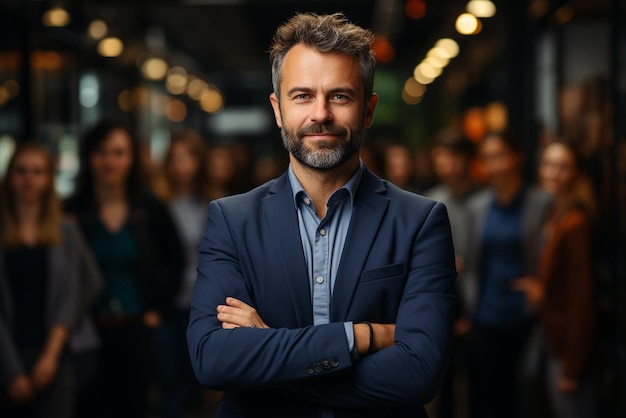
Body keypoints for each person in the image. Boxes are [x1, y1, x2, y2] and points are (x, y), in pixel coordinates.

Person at [187, 12, 456, 418]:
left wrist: (272, 358)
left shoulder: (420, 221)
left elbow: (419, 372)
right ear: (278, 110)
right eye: (302, 96)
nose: (321, 114)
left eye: (340, 96)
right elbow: (213, 359)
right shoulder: (232, 220)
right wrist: (360, 336)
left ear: (368, 110)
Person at [64, 119, 184, 418]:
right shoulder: (72, 211)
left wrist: (159, 309)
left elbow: (177, 261)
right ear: (88, 156)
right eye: (101, 152)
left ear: (132, 158)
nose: (109, 161)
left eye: (119, 152)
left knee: (136, 407)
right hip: (85, 332)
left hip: (137, 329)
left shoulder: (150, 209)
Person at [0, 142, 101, 418]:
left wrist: (52, 354)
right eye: (21, 171)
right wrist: (11, 373)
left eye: (38, 171)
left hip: (55, 358)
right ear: (9, 177)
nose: (29, 179)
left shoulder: (66, 229)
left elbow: (85, 286)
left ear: (48, 178)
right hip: (6, 356)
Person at [462, 131, 552, 418]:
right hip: (487, 315)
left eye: (499, 156)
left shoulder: (541, 204)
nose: (493, 166)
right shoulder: (477, 207)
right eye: (487, 158)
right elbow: (472, 264)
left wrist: (539, 285)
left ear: (517, 158)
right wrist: (470, 306)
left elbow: (548, 258)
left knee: (526, 397)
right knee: (491, 399)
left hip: (526, 315)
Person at [516, 141, 598, 418]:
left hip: (568, 347)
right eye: (549, 165)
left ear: (575, 173)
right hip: (551, 334)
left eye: (563, 166)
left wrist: (572, 367)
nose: (554, 173)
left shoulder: (575, 223)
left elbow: (581, 297)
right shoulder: (553, 213)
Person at [152, 128, 211, 418]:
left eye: (188, 157)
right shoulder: (158, 205)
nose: (181, 165)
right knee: (170, 374)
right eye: (175, 158)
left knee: (198, 375)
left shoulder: (212, 203)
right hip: (169, 300)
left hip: (204, 299)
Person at [424, 129, 479, 418]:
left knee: (479, 384)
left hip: (479, 303)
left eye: (452, 157)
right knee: (441, 384)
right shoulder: (431, 200)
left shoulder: (484, 199)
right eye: (440, 157)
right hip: (444, 303)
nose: (446, 164)